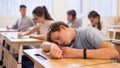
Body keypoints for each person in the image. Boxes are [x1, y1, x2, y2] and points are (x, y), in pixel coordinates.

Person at [40, 21, 119, 59]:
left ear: (62, 28)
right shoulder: (66, 41)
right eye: (57, 42)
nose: (59, 43)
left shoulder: (88, 32)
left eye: (58, 38)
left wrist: (78, 52)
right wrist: (52, 45)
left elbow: (114, 53)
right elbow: (42, 45)